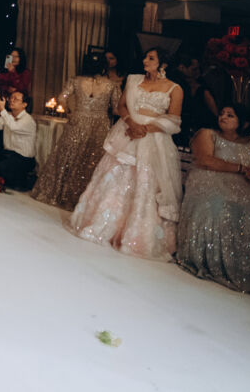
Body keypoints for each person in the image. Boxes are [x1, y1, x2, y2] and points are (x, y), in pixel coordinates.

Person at [68, 47, 183, 261]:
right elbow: (121, 106)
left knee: (145, 183)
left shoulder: (174, 89)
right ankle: (103, 223)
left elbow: (174, 121)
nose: (145, 60)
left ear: (163, 64)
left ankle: (135, 235)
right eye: (145, 56)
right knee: (114, 177)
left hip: (154, 139)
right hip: (127, 133)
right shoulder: (133, 80)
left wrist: (145, 129)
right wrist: (131, 123)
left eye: (151, 58)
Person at [176, 105, 250, 297]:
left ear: (244, 123)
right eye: (222, 113)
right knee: (220, 205)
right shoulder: (207, 134)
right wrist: (241, 169)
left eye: (230, 115)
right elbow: (206, 160)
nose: (223, 117)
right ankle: (214, 262)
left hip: (249, 188)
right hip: (213, 182)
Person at [30, 51, 119, 210]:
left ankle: (57, 194)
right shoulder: (112, 85)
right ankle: (78, 199)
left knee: (67, 156)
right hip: (100, 124)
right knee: (89, 160)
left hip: (78, 120)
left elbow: (62, 98)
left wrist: (69, 112)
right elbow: (116, 108)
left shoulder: (76, 80)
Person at [0, 89, 37, 191]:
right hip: (8, 155)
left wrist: (2, 109)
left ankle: (26, 180)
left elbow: (13, 126)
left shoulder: (28, 120)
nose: (11, 101)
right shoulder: (8, 116)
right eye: (11, 98)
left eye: (16, 99)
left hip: (23, 159)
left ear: (24, 105)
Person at [169, 50, 219, 144]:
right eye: (194, 69)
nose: (198, 72)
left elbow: (215, 114)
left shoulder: (203, 89)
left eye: (198, 69)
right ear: (181, 68)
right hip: (178, 131)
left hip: (201, 132)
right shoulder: (175, 85)